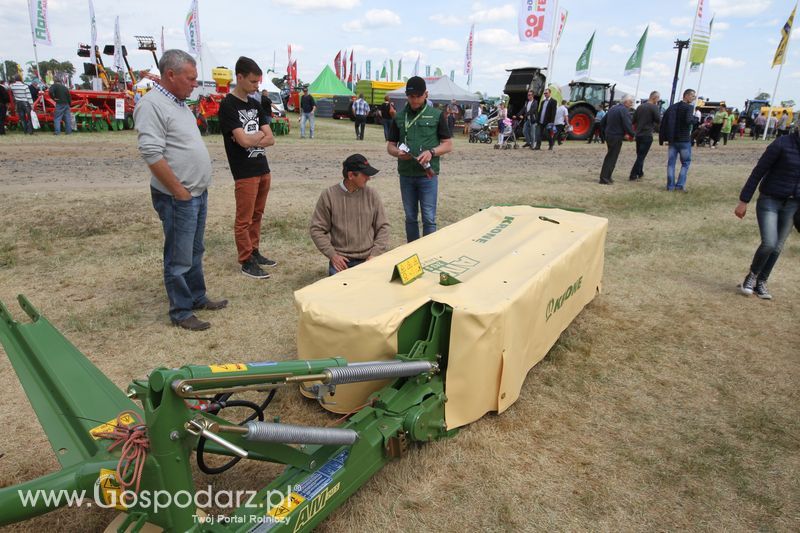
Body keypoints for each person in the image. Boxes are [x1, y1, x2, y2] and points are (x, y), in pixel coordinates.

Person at [134, 49, 227, 331]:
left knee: (195, 250)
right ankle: (181, 311)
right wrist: (179, 191)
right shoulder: (151, 106)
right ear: (170, 75)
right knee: (178, 256)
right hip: (179, 196)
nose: (195, 83)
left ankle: (197, 296)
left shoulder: (179, 103)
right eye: (191, 78)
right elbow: (151, 153)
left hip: (196, 192)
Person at [219, 56, 277, 281]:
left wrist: (254, 137)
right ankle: (245, 260)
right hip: (244, 171)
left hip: (262, 167)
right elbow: (241, 142)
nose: (256, 86)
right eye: (253, 82)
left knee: (258, 214)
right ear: (239, 77)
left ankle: (254, 250)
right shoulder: (228, 105)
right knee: (244, 218)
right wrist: (256, 136)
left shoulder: (254, 103)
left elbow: (270, 138)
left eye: (258, 82)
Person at [734, 127, 800, 300]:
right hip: (770, 199)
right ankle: (752, 276)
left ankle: (762, 281)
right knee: (769, 243)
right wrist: (744, 200)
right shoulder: (781, 143)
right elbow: (758, 171)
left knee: (778, 247)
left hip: (793, 204)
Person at [387, 76, 453, 242]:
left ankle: (428, 254)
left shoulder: (437, 116)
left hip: (427, 176)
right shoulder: (399, 117)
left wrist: (432, 152)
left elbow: (448, 145)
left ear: (426, 94)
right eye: (411, 96)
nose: (414, 100)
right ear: (406, 96)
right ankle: (413, 252)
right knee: (410, 217)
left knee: (429, 218)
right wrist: (397, 153)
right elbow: (390, 146)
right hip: (406, 174)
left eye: (418, 96)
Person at [310, 154, 390, 276]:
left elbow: (383, 227)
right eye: (365, 175)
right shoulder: (328, 195)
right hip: (342, 261)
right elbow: (317, 230)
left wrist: (374, 254)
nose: (369, 178)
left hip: (369, 258)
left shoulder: (372, 194)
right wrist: (333, 255)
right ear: (351, 175)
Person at [659, 88, 696, 192]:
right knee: (685, 163)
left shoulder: (673, 107)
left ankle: (670, 186)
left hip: (673, 139)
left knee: (671, 163)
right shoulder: (689, 107)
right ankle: (680, 185)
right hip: (684, 139)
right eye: (693, 96)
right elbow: (689, 120)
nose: (694, 98)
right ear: (687, 96)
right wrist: (695, 119)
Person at [598, 95, 635, 185]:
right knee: (612, 157)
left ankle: (607, 176)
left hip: (609, 135)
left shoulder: (613, 108)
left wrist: (604, 133)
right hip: (616, 136)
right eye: (631, 102)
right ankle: (604, 178)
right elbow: (627, 124)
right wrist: (633, 135)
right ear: (626, 102)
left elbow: (602, 122)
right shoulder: (624, 110)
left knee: (611, 156)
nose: (632, 104)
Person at [629, 91, 661, 181]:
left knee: (639, 154)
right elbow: (658, 120)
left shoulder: (640, 107)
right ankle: (633, 174)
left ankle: (640, 172)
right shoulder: (654, 107)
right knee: (641, 156)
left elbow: (633, 120)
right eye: (658, 99)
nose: (658, 101)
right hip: (647, 134)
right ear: (655, 98)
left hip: (638, 134)